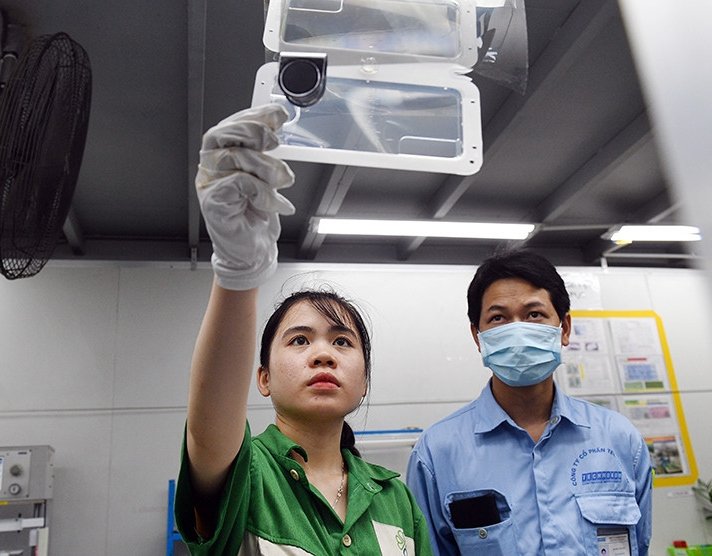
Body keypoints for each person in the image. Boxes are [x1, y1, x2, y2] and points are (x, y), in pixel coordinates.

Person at [174, 103, 434, 555]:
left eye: (342, 341)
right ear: (263, 378)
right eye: (299, 339)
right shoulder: (244, 473)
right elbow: (207, 429)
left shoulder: (397, 498)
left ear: (365, 381)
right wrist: (238, 271)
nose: (323, 354)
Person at [406, 249, 653, 555]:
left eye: (534, 314)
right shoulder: (436, 453)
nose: (517, 331)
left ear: (564, 328)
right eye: (498, 318)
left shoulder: (620, 439)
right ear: (478, 336)